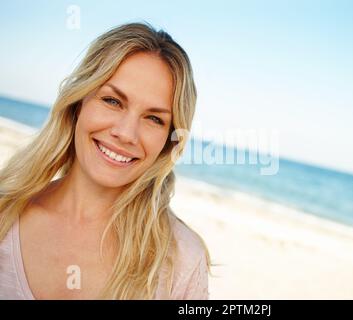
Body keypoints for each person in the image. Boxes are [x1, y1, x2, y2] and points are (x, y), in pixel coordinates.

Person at [0, 22, 211, 299]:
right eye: (113, 101)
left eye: (153, 118)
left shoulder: (182, 262)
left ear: (168, 141)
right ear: (79, 102)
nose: (125, 133)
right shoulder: (5, 212)